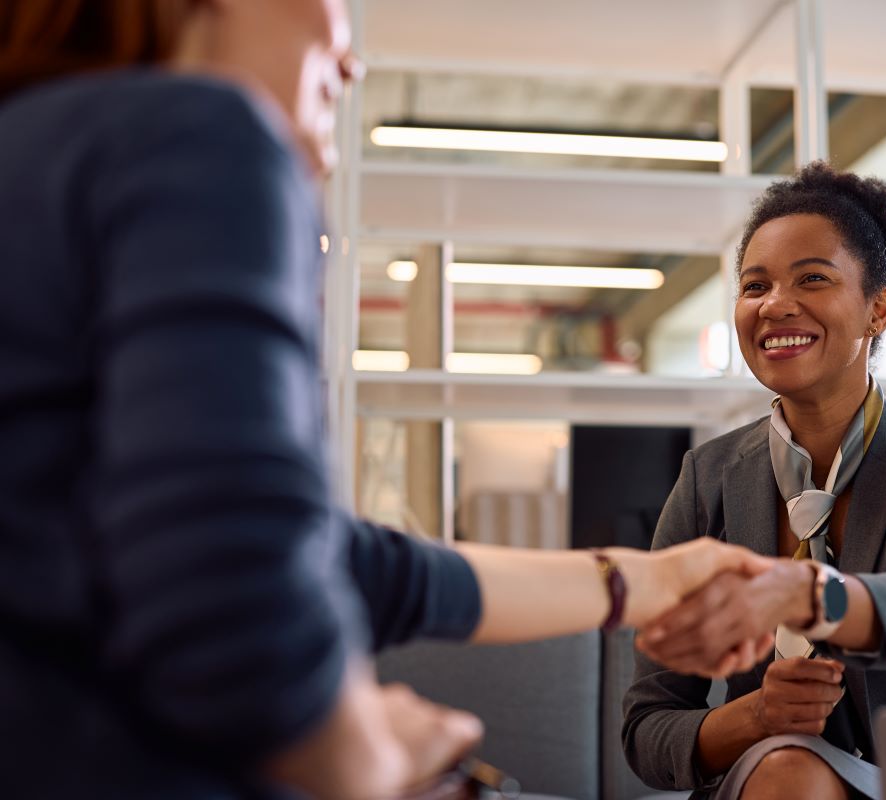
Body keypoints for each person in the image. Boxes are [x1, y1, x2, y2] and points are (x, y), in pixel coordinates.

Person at [0, 2, 777, 798]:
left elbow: (332, 558)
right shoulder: (200, 132)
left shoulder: (37, 155)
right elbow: (233, 590)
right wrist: (376, 754)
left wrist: (637, 580)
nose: (352, 61)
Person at [622, 162, 886, 800]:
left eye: (812, 278)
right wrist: (756, 717)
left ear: (879, 309)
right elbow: (648, 730)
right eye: (755, 287)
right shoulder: (708, 477)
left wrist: (809, 595)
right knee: (787, 768)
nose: (775, 304)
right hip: (771, 780)